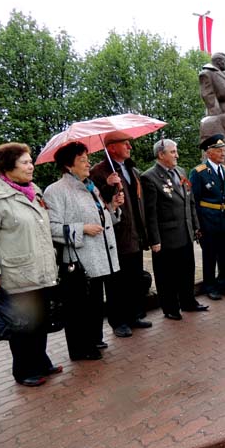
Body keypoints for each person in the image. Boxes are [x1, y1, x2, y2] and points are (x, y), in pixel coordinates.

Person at [0, 143, 60, 386]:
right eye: (26, 162)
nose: (32, 166)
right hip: (15, 272)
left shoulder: (33, 190)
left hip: (40, 269)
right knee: (21, 325)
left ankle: (41, 362)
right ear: (9, 167)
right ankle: (23, 371)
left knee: (39, 320)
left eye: (31, 161)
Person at [44, 142, 124, 360]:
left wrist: (113, 208)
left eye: (87, 158)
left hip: (99, 255)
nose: (88, 163)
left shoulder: (90, 187)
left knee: (95, 302)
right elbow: (51, 227)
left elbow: (100, 216)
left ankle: (94, 339)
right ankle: (81, 348)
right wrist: (82, 229)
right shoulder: (56, 191)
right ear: (69, 166)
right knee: (80, 306)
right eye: (82, 160)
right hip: (80, 259)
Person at [90, 131, 152, 338]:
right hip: (117, 234)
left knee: (134, 277)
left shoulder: (130, 169)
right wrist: (107, 185)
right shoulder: (98, 172)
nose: (130, 147)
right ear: (112, 147)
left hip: (135, 232)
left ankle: (134, 315)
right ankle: (119, 321)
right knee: (117, 282)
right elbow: (96, 202)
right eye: (125, 143)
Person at [141, 139, 206, 321]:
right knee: (167, 275)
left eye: (176, 151)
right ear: (161, 155)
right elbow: (150, 213)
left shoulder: (181, 171)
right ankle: (170, 308)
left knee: (187, 270)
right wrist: (154, 240)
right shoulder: (149, 177)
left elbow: (189, 201)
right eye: (173, 152)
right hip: (166, 236)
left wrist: (195, 226)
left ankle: (188, 301)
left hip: (185, 231)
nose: (177, 155)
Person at [189, 134, 225, 301]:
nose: (223, 153)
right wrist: (198, 226)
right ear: (208, 152)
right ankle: (210, 286)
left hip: (224, 218)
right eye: (219, 150)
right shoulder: (198, 172)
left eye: (224, 150)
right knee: (210, 255)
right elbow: (194, 201)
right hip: (208, 219)